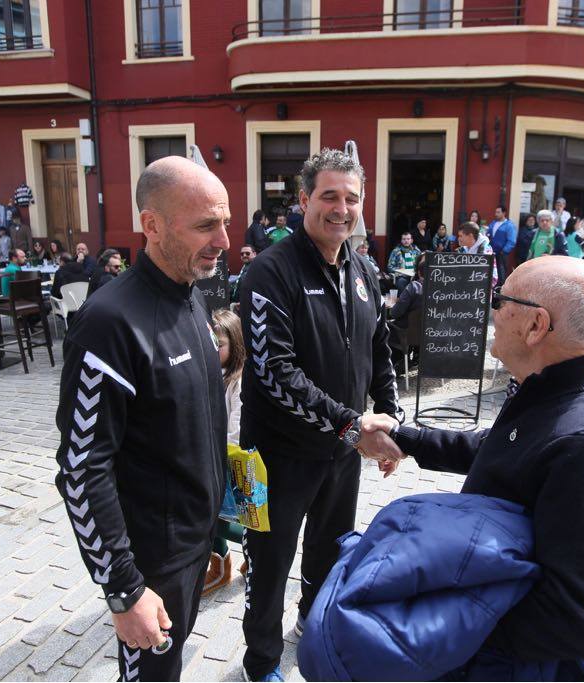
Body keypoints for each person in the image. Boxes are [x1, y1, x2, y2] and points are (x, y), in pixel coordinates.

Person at [358, 256, 584, 678]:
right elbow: (498, 449)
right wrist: (405, 436)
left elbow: (577, 621)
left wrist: (443, 626)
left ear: (535, 325)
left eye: (501, 299)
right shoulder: (548, 390)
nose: (492, 311)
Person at [53, 156, 230, 682]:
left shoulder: (193, 297)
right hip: (151, 560)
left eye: (224, 221)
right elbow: (81, 470)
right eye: (205, 225)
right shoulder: (109, 323)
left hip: (195, 540)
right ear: (151, 226)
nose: (223, 239)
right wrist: (124, 588)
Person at [238, 148, 402, 682]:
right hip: (276, 456)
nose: (341, 208)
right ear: (303, 200)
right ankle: (260, 662)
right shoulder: (269, 271)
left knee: (329, 553)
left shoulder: (362, 267)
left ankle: (315, 619)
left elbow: (380, 345)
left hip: (340, 453)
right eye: (329, 196)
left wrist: (391, 415)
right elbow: (273, 372)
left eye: (352, 198)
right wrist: (354, 425)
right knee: (268, 566)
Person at [203, 308, 248, 596]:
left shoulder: (238, 380)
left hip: (227, 461)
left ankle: (257, 547)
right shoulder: (208, 372)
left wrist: (224, 457)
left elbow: (236, 428)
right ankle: (220, 566)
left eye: (219, 345)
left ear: (235, 344)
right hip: (205, 458)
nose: (213, 350)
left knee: (215, 519)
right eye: (209, 344)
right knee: (209, 516)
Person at [488, 206, 517, 282]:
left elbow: (512, 240)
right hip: (491, 253)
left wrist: (504, 251)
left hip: (502, 253)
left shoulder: (509, 225)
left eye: (498, 212)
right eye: (495, 212)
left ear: (504, 213)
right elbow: (488, 234)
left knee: (501, 273)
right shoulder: (493, 223)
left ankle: (501, 289)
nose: (496, 214)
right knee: (492, 272)